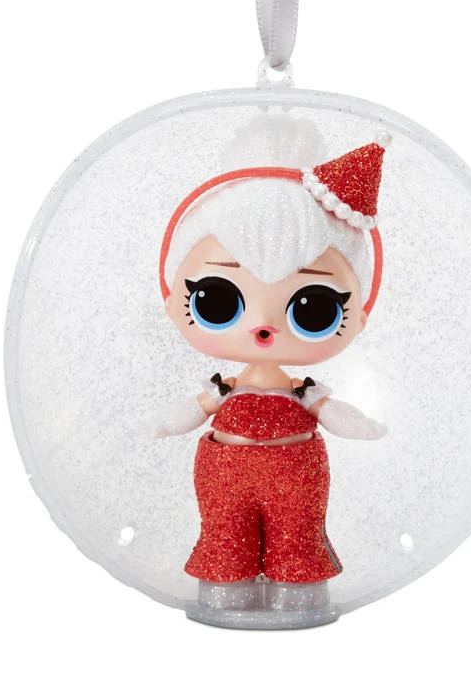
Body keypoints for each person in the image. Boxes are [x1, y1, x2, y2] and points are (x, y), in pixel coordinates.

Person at [154, 115, 389, 615]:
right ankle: (226, 584)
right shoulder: (223, 387)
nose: (264, 326)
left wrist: (361, 425)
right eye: (217, 300)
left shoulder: (305, 391)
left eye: (314, 309)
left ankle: (298, 590)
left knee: (298, 532)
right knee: (224, 532)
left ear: (359, 317)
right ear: (174, 302)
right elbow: (188, 412)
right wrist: (164, 422)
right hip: (225, 472)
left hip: (297, 471)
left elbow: (334, 414)